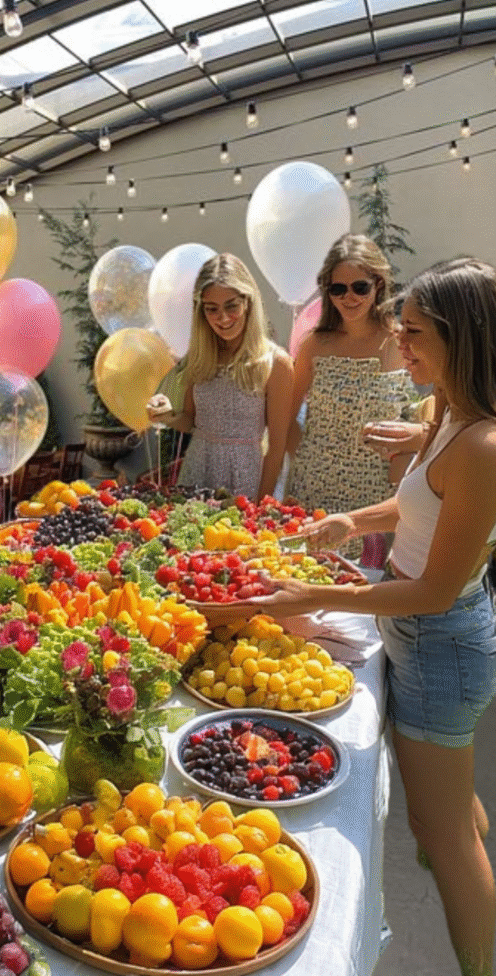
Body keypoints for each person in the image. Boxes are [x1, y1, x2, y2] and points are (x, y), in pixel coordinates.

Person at [202, 258, 496, 976]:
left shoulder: (485, 444)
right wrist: (347, 522)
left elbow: (431, 590)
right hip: (422, 634)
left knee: (444, 829)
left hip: (441, 641)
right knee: (448, 812)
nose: (401, 347)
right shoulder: (449, 414)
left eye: (415, 333)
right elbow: (420, 504)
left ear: (461, 338)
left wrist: (312, 597)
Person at [286, 234, 419, 559]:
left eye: (359, 287)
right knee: (309, 582)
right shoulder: (314, 345)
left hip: (376, 497)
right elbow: (286, 417)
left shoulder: (402, 342)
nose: (349, 297)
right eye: (338, 288)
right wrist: (304, 462)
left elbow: (432, 416)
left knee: (365, 589)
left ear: (378, 284)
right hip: (313, 491)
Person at [146, 252, 293, 501]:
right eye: (212, 309)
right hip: (196, 474)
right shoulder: (199, 357)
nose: (223, 318)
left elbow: (277, 450)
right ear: (201, 311)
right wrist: (167, 416)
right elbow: (193, 422)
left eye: (231, 306)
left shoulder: (275, 363)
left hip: (246, 481)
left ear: (248, 302)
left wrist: (260, 507)